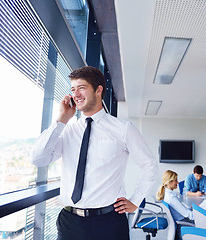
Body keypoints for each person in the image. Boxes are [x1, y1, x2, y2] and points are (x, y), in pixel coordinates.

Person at [30, 66, 158, 240]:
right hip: (69, 222)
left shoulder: (123, 129)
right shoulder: (68, 130)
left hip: (109, 223)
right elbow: (38, 158)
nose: (76, 94)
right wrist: (61, 121)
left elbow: (149, 165)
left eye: (81, 88)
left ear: (98, 90)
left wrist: (135, 201)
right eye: (73, 89)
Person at [156, 170, 206, 240]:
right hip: (184, 224)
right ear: (169, 182)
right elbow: (191, 216)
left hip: (183, 221)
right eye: (176, 180)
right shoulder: (171, 198)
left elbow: (181, 210)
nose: (178, 182)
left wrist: (191, 208)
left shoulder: (168, 194)